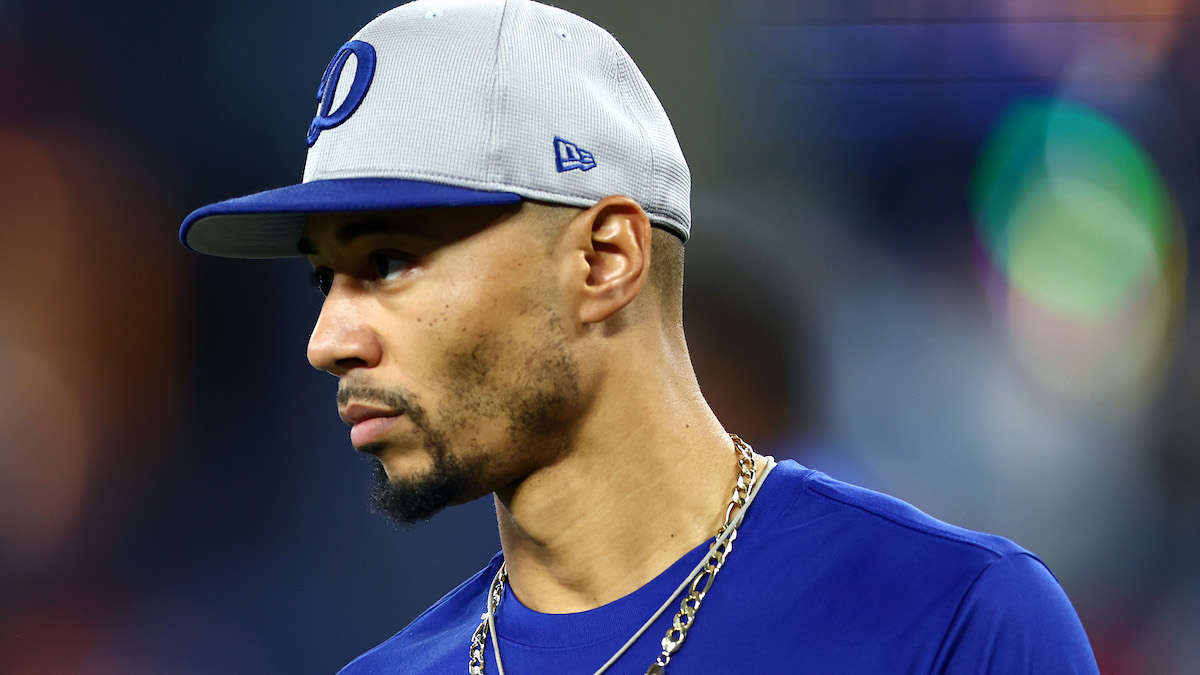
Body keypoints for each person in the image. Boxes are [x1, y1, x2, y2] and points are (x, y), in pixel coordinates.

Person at [179, 1, 1100, 672]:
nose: (328, 339)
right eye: (325, 278)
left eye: (386, 263)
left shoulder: (949, 619)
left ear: (605, 259)